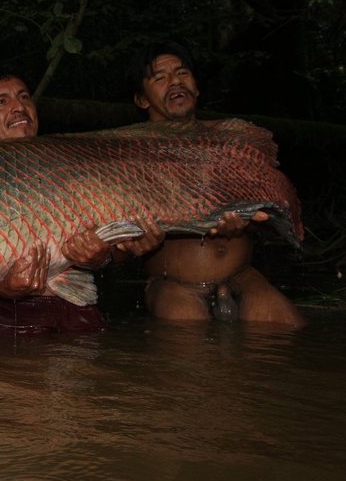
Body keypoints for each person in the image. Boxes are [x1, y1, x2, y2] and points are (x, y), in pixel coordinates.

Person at [0, 64, 164, 336]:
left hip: (71, 304)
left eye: (23, 97)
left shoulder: (71, 168)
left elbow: (115, 257)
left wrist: (103, 257)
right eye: (1, 101)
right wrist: (0, 287)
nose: (18, 107)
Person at [128, 41, 304, 327]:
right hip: (174, 283)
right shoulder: (127, 153)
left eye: (182, 73)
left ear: (196, 87)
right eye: (160, 77)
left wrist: (248, 223)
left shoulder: (234, 139)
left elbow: (269, 216)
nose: (175, 81)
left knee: (289, 333)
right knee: (192, 353)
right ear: (142, 100)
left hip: (242, 275)